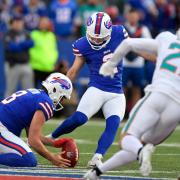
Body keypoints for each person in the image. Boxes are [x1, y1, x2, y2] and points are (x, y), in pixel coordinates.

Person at [84, 29, 180, 179]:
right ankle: (97, 172)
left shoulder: (166, 38)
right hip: (176, 108)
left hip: (158, 94)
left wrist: (111, 64)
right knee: (137, 144)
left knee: (127, 139)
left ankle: (142, 152)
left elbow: (128, 43)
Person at [47, 12, 128, 167]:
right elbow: (73, 70)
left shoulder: (119, 33)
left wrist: (152, 55)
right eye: (93, 36)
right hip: (96, 88)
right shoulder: (82, 44)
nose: (96, 39)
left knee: (113, 125)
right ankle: (50, 137)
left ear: (109, 32)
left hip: (116, 93)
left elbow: (135, 47)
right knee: (79, 119)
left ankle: (98, 157)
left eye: (100, 37)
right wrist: (61, 88)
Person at [0, 72, 73, 167]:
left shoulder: (36, 94)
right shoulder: (46, 102)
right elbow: (33, 141)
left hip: (3, 128)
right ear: (55, 90)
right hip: (2, 129)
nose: (61, 101)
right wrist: (52, 158)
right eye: (62, 97)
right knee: (28, 160)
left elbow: (32, 134)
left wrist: (56, 143)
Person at [4, 15, 34, 96]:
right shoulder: (8, 33)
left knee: (29, 90)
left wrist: (19, 45)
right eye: (16, 22)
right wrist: (23, 45)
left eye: (19, 22)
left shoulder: (26, 33)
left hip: (25, 64)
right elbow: (11, 47)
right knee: (10, 90)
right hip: (13, 65)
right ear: (12, 23)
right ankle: (6, 108)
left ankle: (29, 108)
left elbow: (32, 43)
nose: (18, 23)